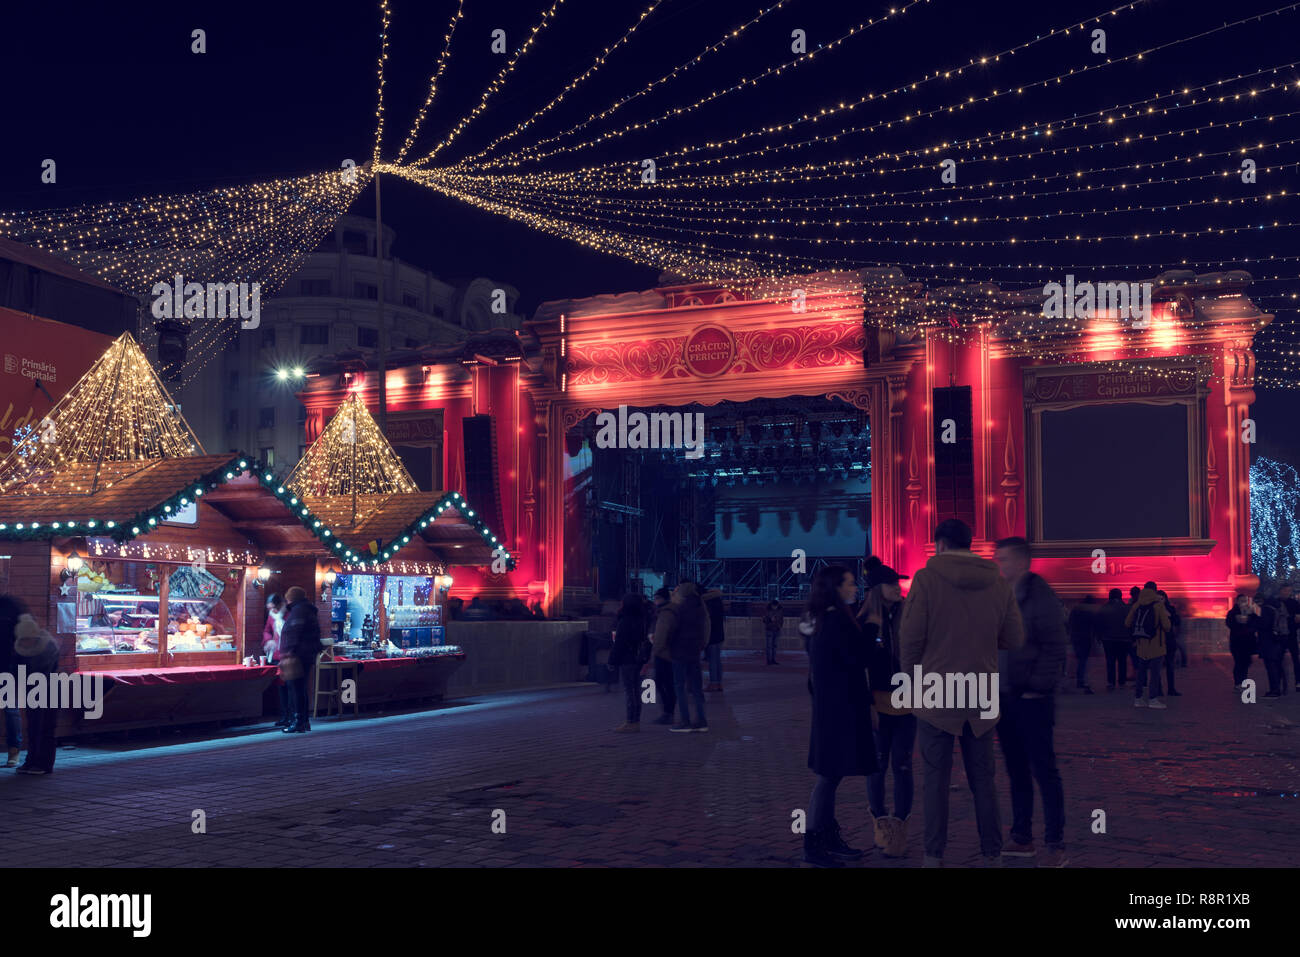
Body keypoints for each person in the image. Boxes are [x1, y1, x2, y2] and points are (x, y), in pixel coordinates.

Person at [899, 519, 1023, 868]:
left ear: (939, 545)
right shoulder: (997, 583)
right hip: (981, 692)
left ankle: (933, 856)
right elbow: (1013, 638)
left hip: (936, 693)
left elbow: (910, 639)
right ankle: (992, 854)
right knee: (984, 780)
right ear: (971, 545)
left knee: (935, 780)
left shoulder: (926, 580)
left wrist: (911, 681)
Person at [993, 537, 1070, 868]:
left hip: (1032, 698)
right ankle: (1022, 837)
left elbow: (1054, 646)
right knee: (1016, 770)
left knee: (1043, 769)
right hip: (1005, 696)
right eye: (998, 559)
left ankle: (1055, 841)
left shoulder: (1040, 597)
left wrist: (1037, 687)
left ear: (1023, 561)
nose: (1000, 565)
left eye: (1005, 559)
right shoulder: (1001, 595)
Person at [799, 564, 877, 867]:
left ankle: (827, 837)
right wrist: (872, 626)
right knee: (828, 776)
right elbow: (858, 658)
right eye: (849, 583)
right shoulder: (833, 621)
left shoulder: (826, 619)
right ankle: (814, 845)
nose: (854, 588)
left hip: (834, 711)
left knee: (831, 775)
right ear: (835, 587)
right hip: (838, 712)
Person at [861, 556, 913, 858]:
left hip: (908, 704)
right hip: (878, 704)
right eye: (891, 583)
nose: (898, 587)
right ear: (877, 588)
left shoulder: (910, 614)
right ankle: (881, 825)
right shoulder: (865, 621)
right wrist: (866, 703)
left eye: (898, 582)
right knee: (877, 768)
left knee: (903, 766)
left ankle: (899, 829)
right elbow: (860, 668)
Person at [651, 582, 710, 733]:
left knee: (680, 687)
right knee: (696, 688)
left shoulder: (678, 609)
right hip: (694, 652)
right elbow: (706, 627)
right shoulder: (699, 607)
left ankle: (685, 721)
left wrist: (659, 651)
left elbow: (665, 632)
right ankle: (702, 721)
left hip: (679, 651)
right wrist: (701, 644)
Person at [13, 613, 60, 775]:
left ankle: (44, 764)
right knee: (33, 727)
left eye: (27, 639)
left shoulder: (48, 648)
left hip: (49, 689)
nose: (25, 642)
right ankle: (32, 760)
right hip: (34, 691)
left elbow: (43, 674)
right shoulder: (23, 648)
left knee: (45, 727)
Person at [278, 586, 324, 733]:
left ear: (291, 598)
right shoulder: (306, 609)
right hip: (306, 654)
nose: (286, 601)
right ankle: (303, 721)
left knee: (295, 688)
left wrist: (287, 652)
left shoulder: (299, 611)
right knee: (301, 688)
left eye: (287, 598)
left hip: (297, 655)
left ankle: (298, 722)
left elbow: (294, 632)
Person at [1125, 581, 1171, 709]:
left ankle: (1138, 699)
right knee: (1155, 674)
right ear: (1155, 590)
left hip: (1141, 645)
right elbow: (1167, 626)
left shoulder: (1137, 605)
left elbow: (1127, 623)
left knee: (1141, 673)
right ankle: (1153, 699)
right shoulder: (1158, 605)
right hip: (1157, 645)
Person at [610, 594, 649, 732]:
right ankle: (635, 721)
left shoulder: (624, 621)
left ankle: (630, 721)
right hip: (638, 658)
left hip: (627, 659)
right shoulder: (642, 620)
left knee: (629, 690)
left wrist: (612, 660)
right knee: (636, 690)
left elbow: (619, 642)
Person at [0, 595, 25, 767]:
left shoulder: (9, 605)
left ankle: (14, 750)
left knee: (10, 710)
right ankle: (14, 751)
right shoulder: (10, 605)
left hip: (8, 665)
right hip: (8, 664)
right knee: (11, 710)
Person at [648, 587, 677, 725]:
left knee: (663, 683)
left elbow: (661, 634)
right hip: (670, 652)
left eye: (657, 598)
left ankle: (668, 712)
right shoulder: (670, 611)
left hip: (664, 654)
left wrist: (656, 649)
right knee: (667, 683)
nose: (655, 601)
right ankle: (668, 712)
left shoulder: (665, 613)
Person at [262, 593, 290, 728]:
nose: (271, 611)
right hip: (275, 655)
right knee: (281, 687)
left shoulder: (289, 615)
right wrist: (268, 640)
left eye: (273, 608)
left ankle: (292, 716)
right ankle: (284, 716)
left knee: (290, 687)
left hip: (287, 655)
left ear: (280, 605)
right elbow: (267, 630)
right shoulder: (271, 616)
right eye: (269, 608)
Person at [1097, 588, 1133, 690]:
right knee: (1122, 661)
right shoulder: (1127, 608)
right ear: (1120, 596)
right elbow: (1131, 623)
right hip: (1124, 639)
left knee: (1110, 661)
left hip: (1108, 639)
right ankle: (1122, 681)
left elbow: (1099, 623)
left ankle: (1111, 682)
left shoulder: (1104, 608)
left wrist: (1099, 636)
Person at [1226, 594, 1261, 691]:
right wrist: (1238, 623)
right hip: (1237, 642)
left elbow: (1256, 623)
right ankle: (1238, 683)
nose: (1243, 602)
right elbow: (1229, 623)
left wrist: (1250, 624)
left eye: (1245, 600)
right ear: (1237, 601)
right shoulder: (1232, 613)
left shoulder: (1251, 612)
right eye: (1241, 600)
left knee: (1246, 662)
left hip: (1248, 642)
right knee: (1238, 662)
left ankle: (1243, 681)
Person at [1258, 590, 1288, 698]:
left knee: (1271, 666)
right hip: (1279, 639)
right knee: (1278, 664)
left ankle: (1274, 690)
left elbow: (1264, 625)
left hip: (1268, 641)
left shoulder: (1266, 609)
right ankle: (1281, 687)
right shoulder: (1278, 606)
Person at [1067, 595, 1097, 694]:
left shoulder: (1075, 610)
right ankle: (1081, 680)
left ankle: (1073, 679)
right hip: (1085, 638)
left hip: (1075, 637)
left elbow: (1069, 623)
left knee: (1078, 658)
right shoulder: (1089, 612)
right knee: (1083, 660)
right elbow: (1093, 626)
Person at [1158, 590, 1183, 696]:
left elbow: (1177, 622)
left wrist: (1170, 615)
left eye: (1161, 599)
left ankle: (1171, 689)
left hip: (1169, 640)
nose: (1160, 601)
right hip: (1158, 641)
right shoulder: (1153, 610)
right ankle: (1158, 689)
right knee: (1157, 666)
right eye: (1157, 599)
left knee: (1170, 665)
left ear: (1165, 599)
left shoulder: (1170, 609)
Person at [702, 588, 726, 692]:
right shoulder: (719, 604)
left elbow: (707, 621)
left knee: (712, 660)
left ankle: (713, 683)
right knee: (717, 660)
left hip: (711, 636)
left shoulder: (709, 605)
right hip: (719, 635)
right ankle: (719, 682)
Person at [1281, 584, 1300, 691]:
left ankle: (1297, 682)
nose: (1286, 593)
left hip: (1290, 634)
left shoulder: (1294, 603)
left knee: (1295, 659)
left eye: (1288, 591)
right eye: (1285, 590)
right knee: (1281, 659)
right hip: (1283, 635)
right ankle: (1283, 681)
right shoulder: (1278, 603)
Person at [762, 600, 784, 665]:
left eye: (776, 606)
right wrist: (769, 619)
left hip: (777, 629)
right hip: (769, 629)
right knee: (769, 646)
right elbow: (764, 620)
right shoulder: (767, 611)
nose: (775, 607)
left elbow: (782, 619)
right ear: (771, 605)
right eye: (774, 606)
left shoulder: (780, 610)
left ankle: (773, 659)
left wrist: (780, 626)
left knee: (774, 646)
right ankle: (769, 660)